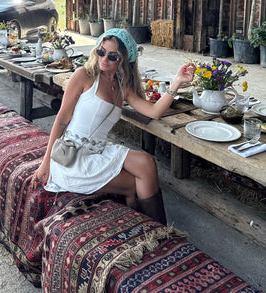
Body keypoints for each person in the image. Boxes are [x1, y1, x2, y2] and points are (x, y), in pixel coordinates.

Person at [33, 28, 195, 224]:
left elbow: (154, 112)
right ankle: (153, 225)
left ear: (123, 60)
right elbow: (61, 119)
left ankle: (158, 227)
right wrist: (46, 163)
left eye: (112, 56)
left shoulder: (122, 87)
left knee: (146, 162)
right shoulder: (84, 75)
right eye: (101, 52)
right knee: (137, 183)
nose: (104, 59)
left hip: (99, 151)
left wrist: (177, 82)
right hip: (73, 157)